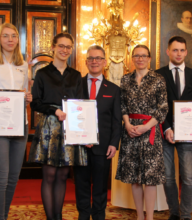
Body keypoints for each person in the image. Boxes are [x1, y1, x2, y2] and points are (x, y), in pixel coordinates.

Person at [28, 32, 87, 220]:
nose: (64, 50)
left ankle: (58, 217)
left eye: (68, 47)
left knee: (63, 175)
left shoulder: (76, 75)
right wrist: (54, 111)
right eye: (61, 46)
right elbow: (35, 102)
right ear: (53, 47)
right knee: (50, 175)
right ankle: (50, 218)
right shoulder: (42, 74)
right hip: (49, 128)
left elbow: (80, 104)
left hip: (70, 127)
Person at [0, 22, 32, 220]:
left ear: (18, 40)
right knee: (1, 178)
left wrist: (28, 97)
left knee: (13, 178)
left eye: (14, 36)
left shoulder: (23, 64)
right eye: (6, 36)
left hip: (20, 125)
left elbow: (23, 93)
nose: (10, 40)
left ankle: (4, 215)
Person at [115, 45, 168, 220]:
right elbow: (122, 105)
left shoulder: (158, 79)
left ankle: (150, 217)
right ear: (132, 58)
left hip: (150, 132)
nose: (140, 59)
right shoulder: (125, 80)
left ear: (149, 58)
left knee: (150, 178)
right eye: (136, 56)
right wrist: (128, 124)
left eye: (143, 56)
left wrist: (146, 127)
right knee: (134, 176)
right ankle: (139, 215)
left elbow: (163, 108)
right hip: (130, 132)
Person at [156, 36, 192, 220]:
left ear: (186, 52)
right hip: (165, 131)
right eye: (175, 50)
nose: (179, 53)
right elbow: (157, 104)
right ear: (168, 51)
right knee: (168, 177)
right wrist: (166, 128)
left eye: (182, 50)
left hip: (189, 132)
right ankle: (174, 213)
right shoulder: (158, 75)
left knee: (189, 177)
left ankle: (186, 215)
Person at [74, 45, 122, 220]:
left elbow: (117, 121)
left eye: (98, 58)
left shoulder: (114, 89)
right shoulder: (76, 85)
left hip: (103, 146)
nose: (94, 61)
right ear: (86, 62)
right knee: (81, 184)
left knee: (101, 185)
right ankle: (83, 215)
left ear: (104, 62)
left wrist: (113, 144)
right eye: (91, 58)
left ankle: (99, 215)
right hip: (79, 144)